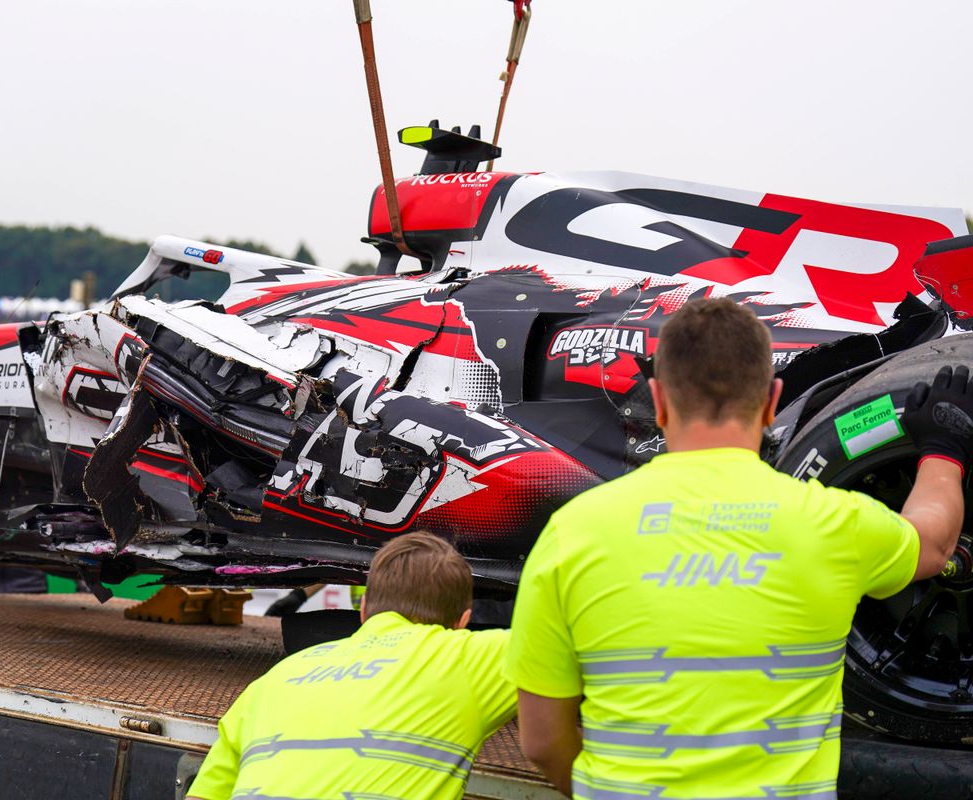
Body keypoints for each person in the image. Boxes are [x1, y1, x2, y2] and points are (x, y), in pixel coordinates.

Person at [505, 298, 971, 798]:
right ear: (772, 402)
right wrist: (943, 451)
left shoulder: (573, 533)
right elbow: (934, 546)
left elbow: (541, 740)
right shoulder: (832, 524)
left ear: (658, 400)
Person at [188, 531, 517, 800]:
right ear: (463, 622)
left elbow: (201, 796)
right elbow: (563, 646)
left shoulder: (272, 681)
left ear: (362, 614)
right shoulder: (470, 657)